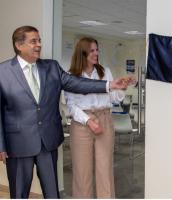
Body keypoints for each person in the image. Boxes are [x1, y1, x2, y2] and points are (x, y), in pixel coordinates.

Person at [0, 26, 133, 198]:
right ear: (19, 45)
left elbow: (78, 84)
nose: (39, 45)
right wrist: (1, 145)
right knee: (18, 193)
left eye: (39, 40)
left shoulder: (52, 67)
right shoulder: (3, 72)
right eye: (33, 41)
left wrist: (109, 85)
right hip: (17, 143)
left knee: (52, 193)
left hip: (47, 142)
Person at [64, 37, 133, 198]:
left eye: (97, 50)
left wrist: (122, 88)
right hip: (82, 123)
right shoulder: (71, 76)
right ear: (82, 53)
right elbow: (71, 106)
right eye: (92, 50)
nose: (96, 53)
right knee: (82, 172)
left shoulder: (105, 71)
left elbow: (114, 98)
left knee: (105, 169)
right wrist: (88, 121)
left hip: (104, 119)